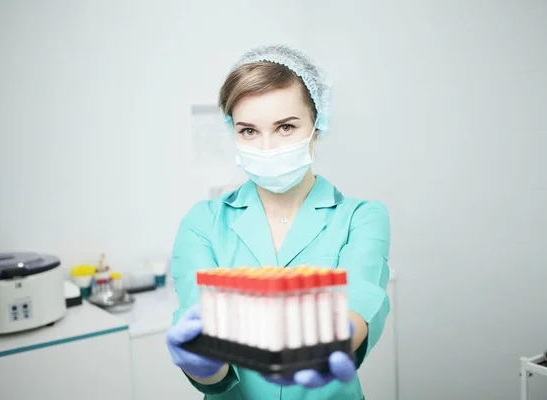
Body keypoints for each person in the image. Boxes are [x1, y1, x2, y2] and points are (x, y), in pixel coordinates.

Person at [166, 44, 391, 400]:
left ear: (319, 124)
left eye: (285, 127)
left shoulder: (361, 218)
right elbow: (207, 347)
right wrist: (203, 363)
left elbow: (359, 304)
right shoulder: (202, 223)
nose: (267, 148)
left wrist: (334, 338)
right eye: (249, 131)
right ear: (233, 132)